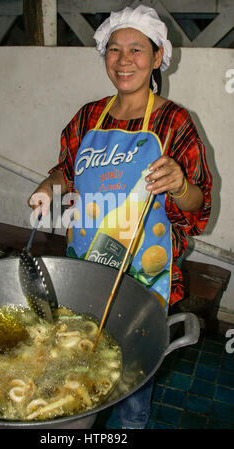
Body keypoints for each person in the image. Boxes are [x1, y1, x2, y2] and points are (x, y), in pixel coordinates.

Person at [28, 5, 212, 428]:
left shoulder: (175, 122)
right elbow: (66, 170)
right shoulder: (88, 117)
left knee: (132, 378)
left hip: (143, 276)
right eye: (114, 49)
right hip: (85, 264)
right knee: (78, 358)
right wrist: (49, 187)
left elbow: (198, 206)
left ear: (157, 56)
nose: (123, 60)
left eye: (136, 49)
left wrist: (180, 184)